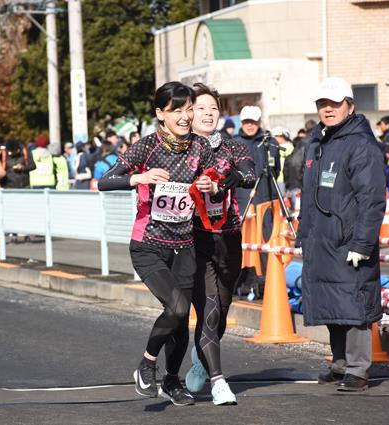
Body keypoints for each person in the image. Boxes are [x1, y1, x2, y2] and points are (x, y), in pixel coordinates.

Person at [98, 81, 219, 406]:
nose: (185, 116)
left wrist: (209, 183)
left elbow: (212, 182)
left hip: (184, 244)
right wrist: (138, 177)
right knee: (177, 306)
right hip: (148, 246)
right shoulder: (147, 147)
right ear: (160, 114)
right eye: (176, 110)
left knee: (180, 316)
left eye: (188, 108)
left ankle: (171, 380)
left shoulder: (200, 146)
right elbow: (104, 182)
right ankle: (146, 364)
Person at [294, 77, 386, 392]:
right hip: (322, 239)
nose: (328, 109)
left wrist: (362, 242)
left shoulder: (361, 144)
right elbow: (309, 195)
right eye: (322, 104)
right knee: (332, 300)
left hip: (348, 241)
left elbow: (372, 199)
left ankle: (358, 370)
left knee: (354, 303)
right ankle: (340, 363)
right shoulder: (318, 142)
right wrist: (302, 233)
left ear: (350, 105)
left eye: (334, 103)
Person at [183, 83, 256, 405]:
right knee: (209, 310)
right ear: (189, 112)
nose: (209, 113)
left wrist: (223, 183)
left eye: (213, 108)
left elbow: (250, 174)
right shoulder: (182, 149)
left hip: (229, 236)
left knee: (222, 310)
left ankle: (201, 359)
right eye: (201, 108)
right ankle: (218, 381)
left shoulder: (232, 146)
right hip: (194, 237)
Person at [234, 105, 280, 240]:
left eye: (253, 121)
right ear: (241, 123)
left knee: (267, 239)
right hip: (242, 200)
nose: (249, 125)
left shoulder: (270, 142)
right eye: (246, 122)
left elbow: (276, 170)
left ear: (259, 121)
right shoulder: (233, 143)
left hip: (266, 199)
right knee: (244, 240)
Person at [271, 126, 294, 194]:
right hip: (277, 177)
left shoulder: (288, 146)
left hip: (283, 178)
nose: (274, 138)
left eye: (276, 136)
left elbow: (285, 151)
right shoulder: (277, 147)